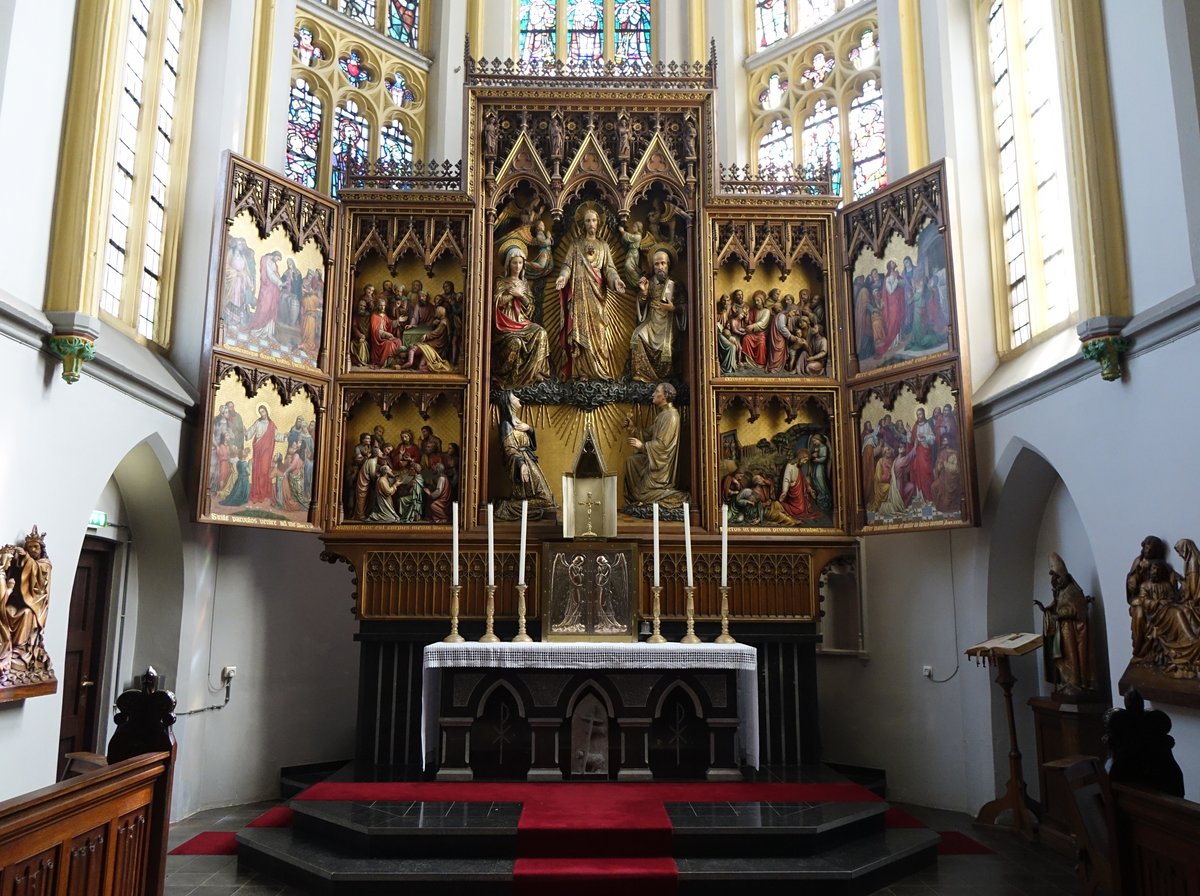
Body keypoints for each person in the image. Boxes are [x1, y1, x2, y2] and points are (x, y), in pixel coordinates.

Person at [555, 206, 626, 380]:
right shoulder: (575, 245)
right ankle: (581, 373)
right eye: (587, 220)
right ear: (582, 223)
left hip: (597, 295)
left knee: (599, 332)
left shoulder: (603, 246)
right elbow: (567, 266)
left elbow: (609, 269)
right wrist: (563, 278)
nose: (591, 223)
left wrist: (616, 281)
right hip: (579, 296)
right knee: (579, 331)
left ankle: (599, 370)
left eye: (594, 220)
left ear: (598, 223)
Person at [1035, 553, 1094, 695]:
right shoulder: (1060, 592)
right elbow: (1056, 605)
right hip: (1063, 629)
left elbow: (1077, 609)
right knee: (1064, 657)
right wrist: (1046, 609)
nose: (1057, 582)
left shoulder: (1073, 591)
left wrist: (1060, 614)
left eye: (1058, 578)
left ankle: (1075, 682)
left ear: (1065, 577)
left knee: (1072, 655)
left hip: (1073, 630)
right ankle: (1067, 681)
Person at [493, 246, 551, 387]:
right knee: (516, 343)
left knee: (541, 332)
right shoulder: (501, 282)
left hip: (521, 322)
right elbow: (496, 302)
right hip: (505, 323)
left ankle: (535, 370)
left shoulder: (524, 284)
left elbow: (530, 306)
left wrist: (520, 295)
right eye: (514, 262)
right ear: (508, 264)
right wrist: (511, 294)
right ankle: (507, 376)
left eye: (520, 263)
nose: (517, 266)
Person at [494, 392, 556, 521]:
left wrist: (530, 429)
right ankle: (506, 507)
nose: (518, 398)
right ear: (508, 403)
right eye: (514, 397)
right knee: (545, 499)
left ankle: (517, 507)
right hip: (522, 463)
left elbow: (531, 446)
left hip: (529, 459)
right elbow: (509, 449)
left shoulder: (517, 421)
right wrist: (521, 464)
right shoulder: (506, 424)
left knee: (546, 497)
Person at [623, 382, 686, 507]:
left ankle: (673, 496)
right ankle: (638, 497)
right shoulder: (663, 414)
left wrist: (642, 446)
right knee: (632, 461)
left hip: (662, 465)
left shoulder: (671, 416)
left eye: (657, 392)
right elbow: (648, 434)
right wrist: (633, 429)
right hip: (655, 459)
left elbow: (663, 446)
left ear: (665, 396)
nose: (653, 394)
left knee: (643, 493)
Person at [630, 250, 683, 382]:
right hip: (652, 320)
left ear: (668, 265)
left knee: (668, 347)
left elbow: (686, 305)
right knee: (638, 336)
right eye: (656, 264)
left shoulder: (675, 284)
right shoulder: (649, 282)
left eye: (663, 263)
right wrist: (643, 292)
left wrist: (674, 308)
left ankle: (665, 377)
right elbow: (642, 304)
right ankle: (642, 375)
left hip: (669, 322)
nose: (660, 267)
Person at [249, 405, 283, 505]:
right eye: (260, 412)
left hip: (267, 452)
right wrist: (244, 433)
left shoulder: (271, 425)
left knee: (264, 470)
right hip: (258, 450)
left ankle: (264, 493)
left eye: (263, 412)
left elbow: (277, 436)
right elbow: (250, 432)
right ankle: (257, 493)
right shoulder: (258, 422)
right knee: (257, 470)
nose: (262, 414)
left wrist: (284, 436)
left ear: (267, 412)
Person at [247, 250, 284, 337]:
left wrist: (280, 284)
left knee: (272, 307)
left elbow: (276, 274)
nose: (277, 260)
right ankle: (258, 329)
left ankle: (268, 332)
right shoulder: (266, 259)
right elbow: (270, 274)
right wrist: (279, 283)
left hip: (273, 289)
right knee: (265, 306)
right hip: (267, 288)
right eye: (277, 258)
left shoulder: (274, 263)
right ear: (275, 255)